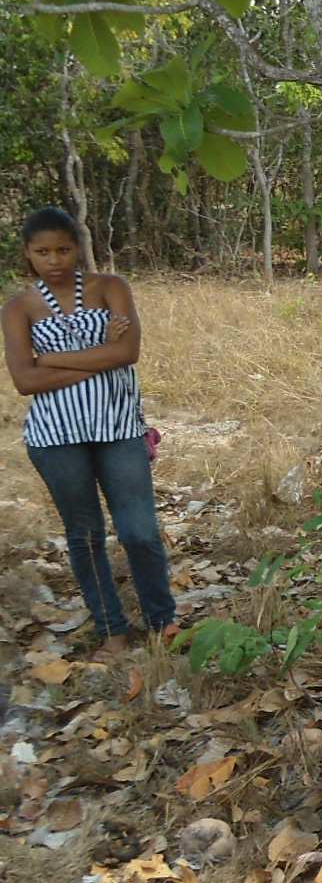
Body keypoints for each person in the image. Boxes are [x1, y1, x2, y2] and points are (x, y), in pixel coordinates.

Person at [3, 207, 178, 657]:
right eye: (43, 252)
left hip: (118, 428)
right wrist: (101, 351)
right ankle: (112, 631)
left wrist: (50, 359)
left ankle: (164, 621)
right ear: (28, 254)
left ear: (77, 247)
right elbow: (25, 381)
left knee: (139, 530)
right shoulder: (19, 308)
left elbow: (129, 352)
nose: (54, 259)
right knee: (85, 535)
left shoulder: (111, 288)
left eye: (63, 249)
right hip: (56, 437)